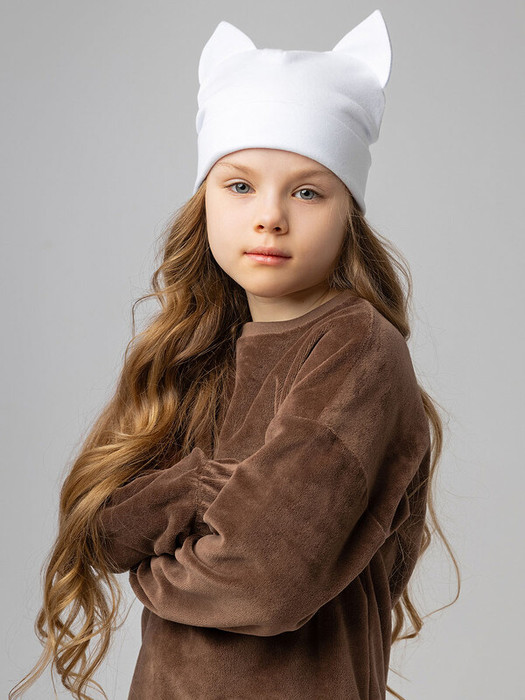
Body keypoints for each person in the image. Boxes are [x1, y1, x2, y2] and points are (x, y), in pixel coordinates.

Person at [9, 10, 460, 700]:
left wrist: (157, 561)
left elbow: (262, 579)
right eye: (240, 185)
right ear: (206, 201)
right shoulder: (194, 352)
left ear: (348, 212)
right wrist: (199, 490)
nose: (269, 216)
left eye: (307, 191)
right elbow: (101, 531)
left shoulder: (356, 347)